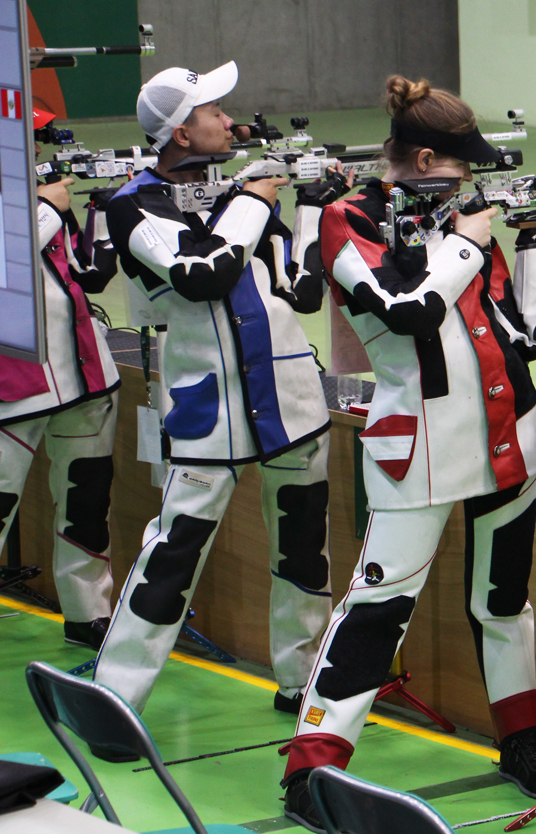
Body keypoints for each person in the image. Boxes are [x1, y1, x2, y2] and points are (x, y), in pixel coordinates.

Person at [280, 75, 536, 831]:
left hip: (509, 437)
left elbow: (524, 336)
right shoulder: (349, 222)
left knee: (504, 602)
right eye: (456, 168)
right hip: (421, 448)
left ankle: (522, 741)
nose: (470, 183)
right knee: (377, 607)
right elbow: (407, 311)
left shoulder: (457, 219)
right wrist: (466, 244)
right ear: (417, 158)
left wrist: (532, 248)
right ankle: (310, 768)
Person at [98, 62, 336, 722]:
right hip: (210, 413)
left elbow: (304, 291)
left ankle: (303, 684)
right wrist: (256, 200)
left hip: (293, 403)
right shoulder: (133, 205)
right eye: (212, 114)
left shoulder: (230, 195)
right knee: (171, 555)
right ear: (179, 133)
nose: (230, 121)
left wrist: (311, 207)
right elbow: (201, 273)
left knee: (303, 554)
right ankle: (114, 699)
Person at [0, 108, 124, 649]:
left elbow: (88, 272)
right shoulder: (39, 203)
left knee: (86, 502)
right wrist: (49, 211)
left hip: (82, 372)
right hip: (11, 386)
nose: (36, 145)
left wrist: (111, 215)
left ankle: (87, 612)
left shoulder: (35, 194)